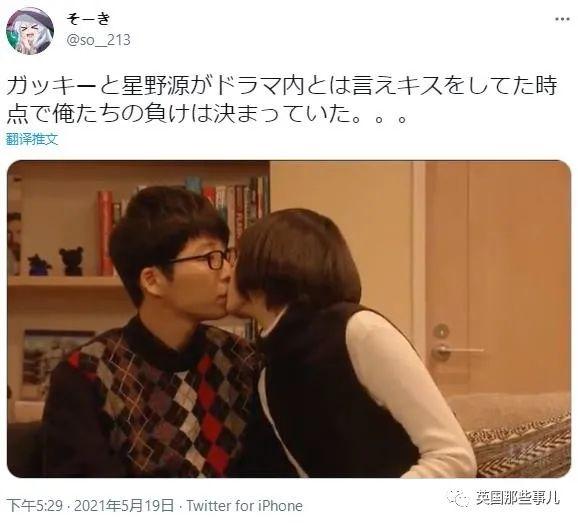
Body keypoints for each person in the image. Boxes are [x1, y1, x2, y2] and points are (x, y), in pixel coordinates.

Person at [226, 208, 477, 478]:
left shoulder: (359, 331)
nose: (227, 271)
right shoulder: (270, 372)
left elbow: (454, 457)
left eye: (235, 257)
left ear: (265, 262)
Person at [42, 187, 260, 477]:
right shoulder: (86, 375)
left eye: (226, 255)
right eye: (209, 257)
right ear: (152, 280)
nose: (228, 272)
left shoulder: (241, 359)